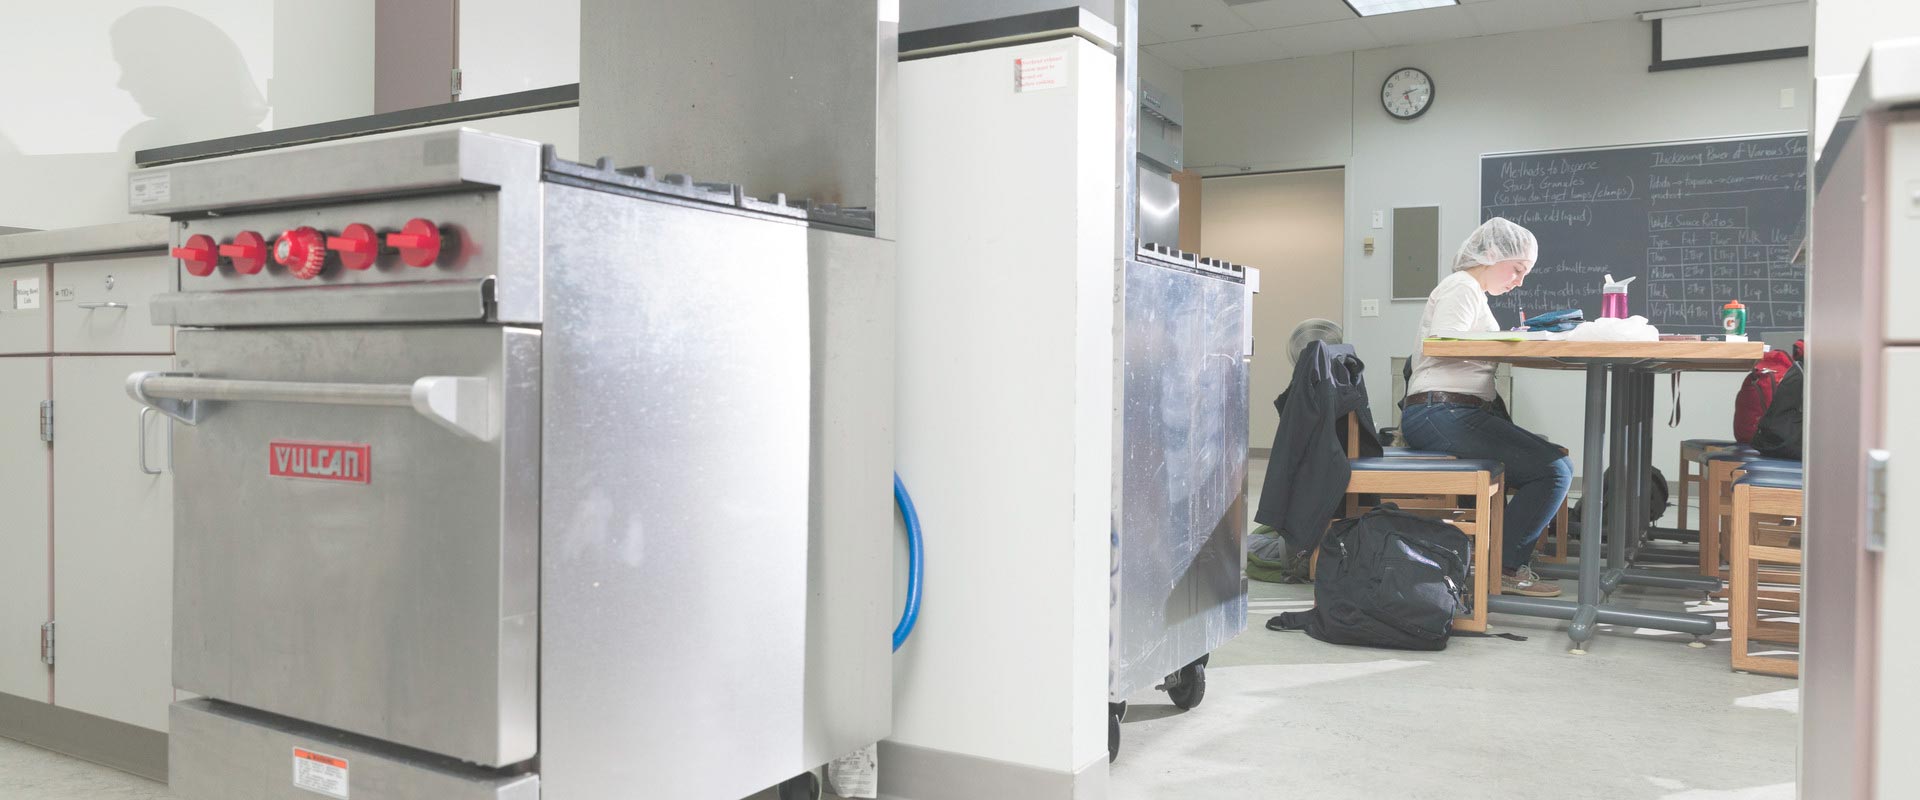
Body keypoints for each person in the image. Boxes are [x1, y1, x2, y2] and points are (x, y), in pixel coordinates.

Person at [1401, 217, 1573, 598]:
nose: (1519, 281)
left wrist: (1504, 338)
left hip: (1446, 412)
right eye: (1517, 269)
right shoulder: (1461, 287)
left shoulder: (1471, 292)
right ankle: (1505, 567)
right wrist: (1507, 340)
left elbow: (1458, 339)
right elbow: (1446, 343)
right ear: (1492, 255)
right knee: (1555, 470)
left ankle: (1503, 556)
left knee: (1552, 462)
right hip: (1441, 412)